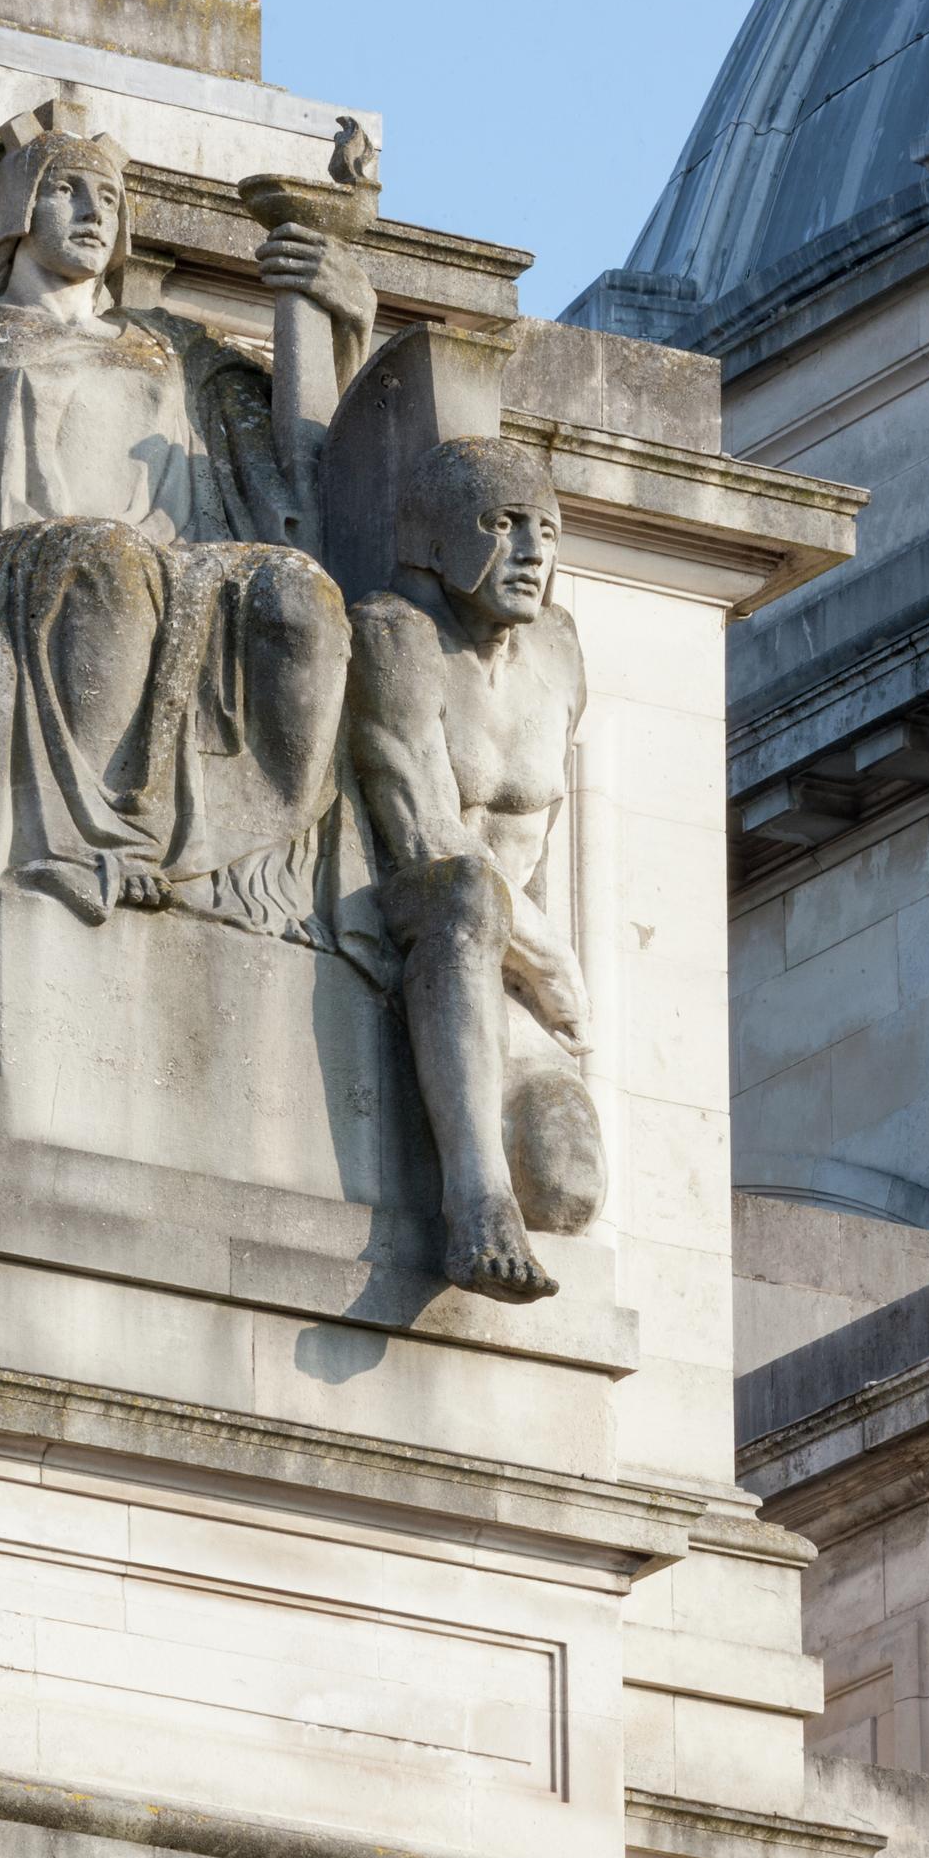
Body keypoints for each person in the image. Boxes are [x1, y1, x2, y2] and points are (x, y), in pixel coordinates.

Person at [0, 104, 384, 1066]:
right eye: (66, 190)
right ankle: (85, 845)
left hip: (183, 578)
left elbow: (304, 475)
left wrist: (339, 317)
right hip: (9, 574)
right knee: (105, 558)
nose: (92, 213)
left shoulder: (168, 347)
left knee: (299, 596)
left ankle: (231, 870)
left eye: (109, 198)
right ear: (17, 212)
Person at [346, 437, 606, 1302]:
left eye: (549, 532)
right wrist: (554, 958)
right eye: (504, 526)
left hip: (509, 983)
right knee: (466, 892)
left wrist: (542, 988)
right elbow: (423, 830)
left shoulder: (560, 651)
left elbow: (543, 842)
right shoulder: (396, 634)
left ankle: (512, 1172)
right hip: (420, 919)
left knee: (569, 1190)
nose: (533, 554)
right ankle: (475, 1200)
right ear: (437, 537)